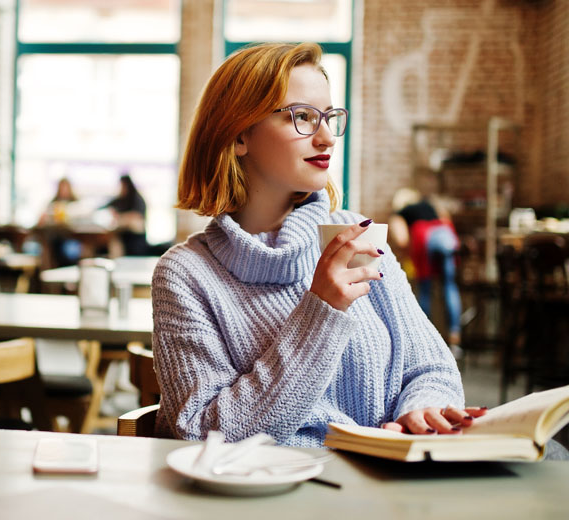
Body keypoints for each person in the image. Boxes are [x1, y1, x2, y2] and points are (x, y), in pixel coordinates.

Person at [151, 42, 487, 447]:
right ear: (240, 134)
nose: (327, 137)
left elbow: (431, 368)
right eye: (304, 117)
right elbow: (200, 433)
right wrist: (322, 312)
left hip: (386, 492)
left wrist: (422, 409)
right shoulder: (185, 274)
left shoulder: (354, 233)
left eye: (329, 117)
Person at [389, 188, 463, 356]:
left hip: (425, 236)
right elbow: (446, 219)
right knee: (450, 286)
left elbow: (401, 240)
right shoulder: (430, 205)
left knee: (424, 288)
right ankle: (455, 338)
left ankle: (424, 341)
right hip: (446, 235)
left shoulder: (401, 212)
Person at [102, 173, 150, 256]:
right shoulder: (121, 199)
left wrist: (121, 217)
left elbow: (136, 216)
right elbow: (105, 206)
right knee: (113, 237)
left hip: (135, 234)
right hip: (122, 233)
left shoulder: (137, 199)